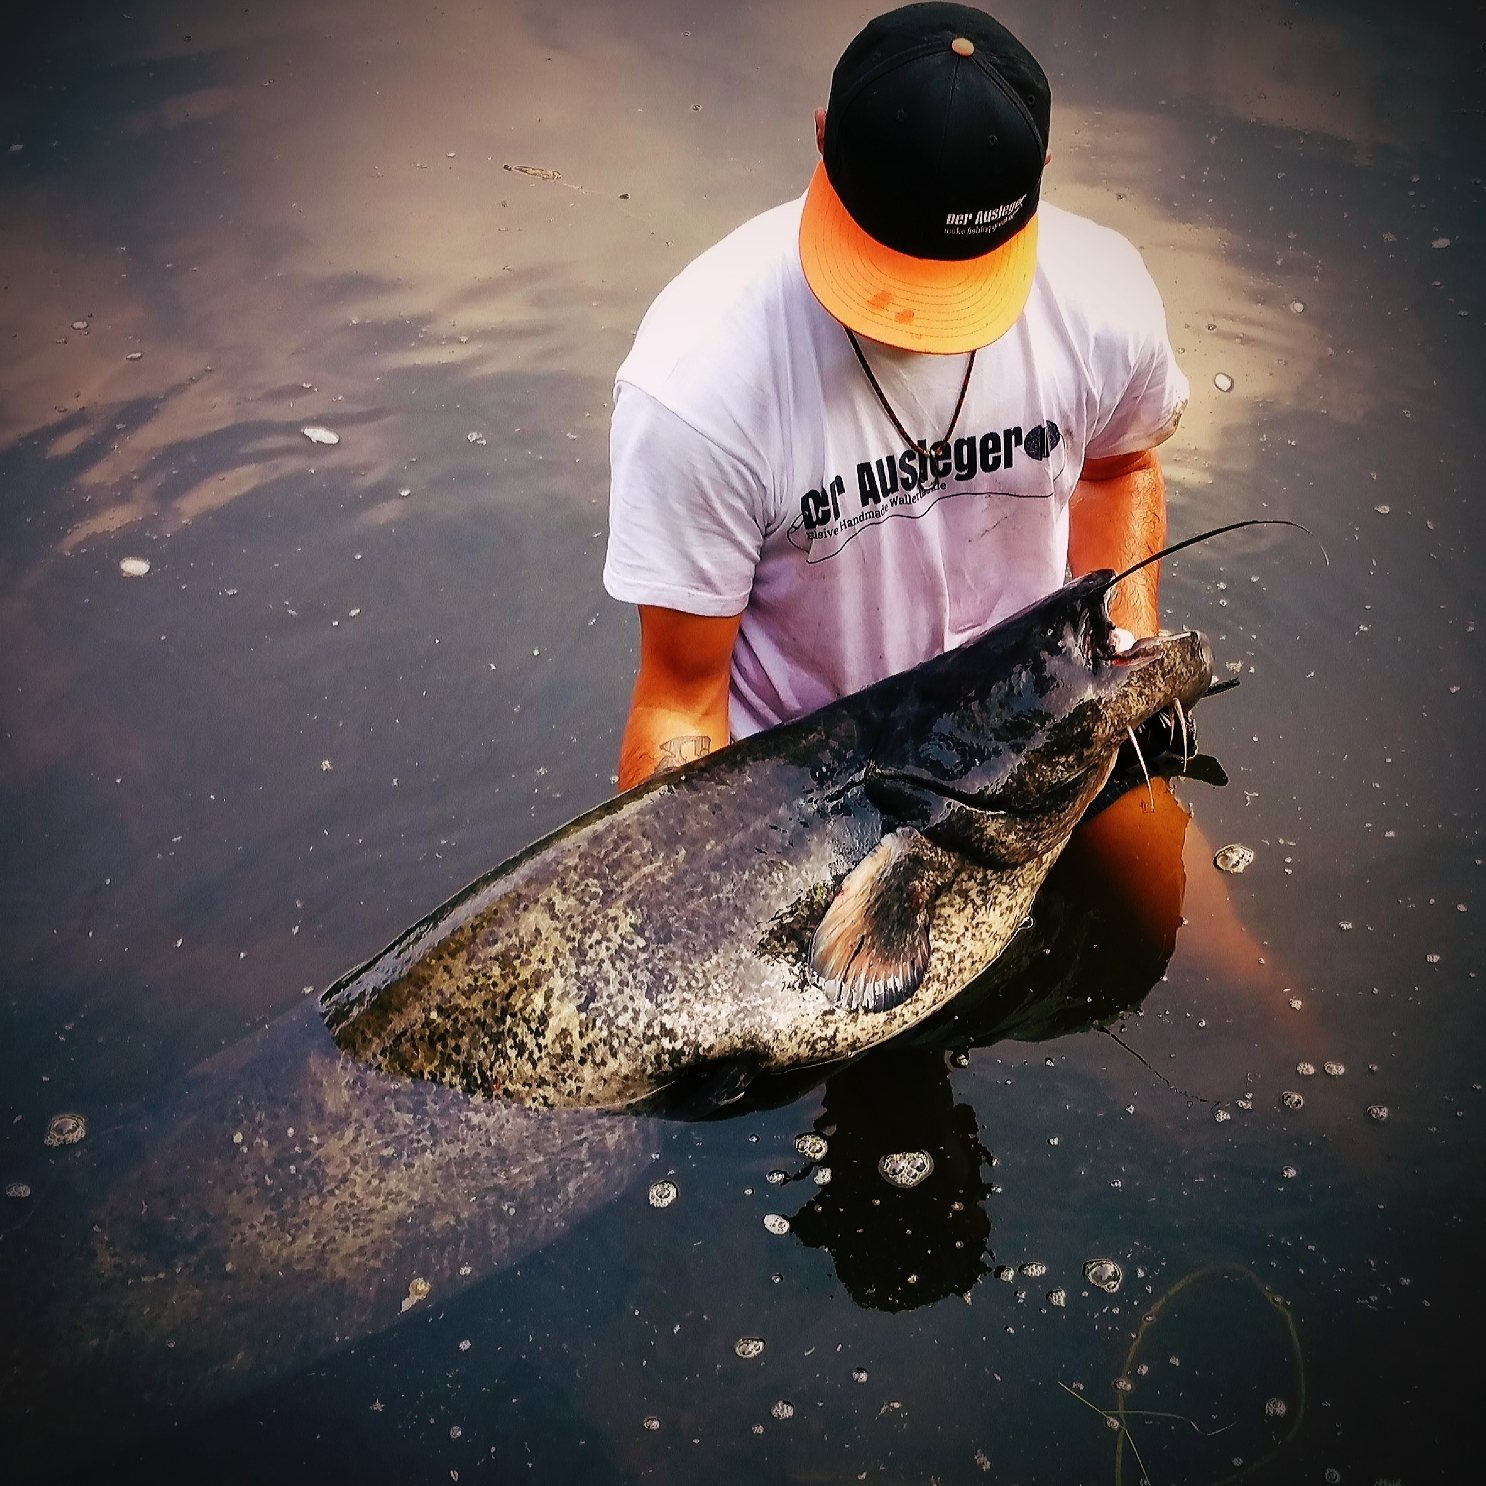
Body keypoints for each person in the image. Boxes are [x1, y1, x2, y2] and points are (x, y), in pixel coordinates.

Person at [605, 1, 1189, 790]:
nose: (917, 325)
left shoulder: (1103, 302)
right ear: (820, 136)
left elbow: (1119, 470)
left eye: (953, 284)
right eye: (889, 263)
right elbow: (681, 699)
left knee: (1187, 874)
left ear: (1040, 172)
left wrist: (1122, 664)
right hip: (810, 792)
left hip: (1033, 722)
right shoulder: (698, 383)